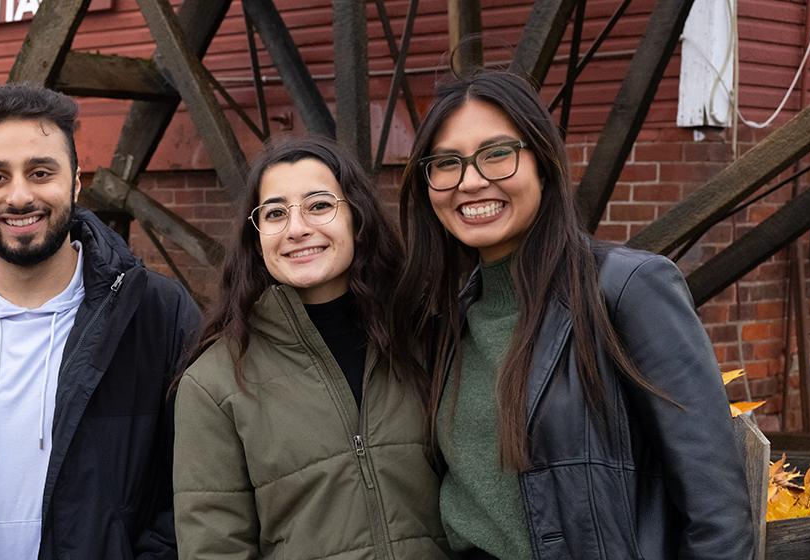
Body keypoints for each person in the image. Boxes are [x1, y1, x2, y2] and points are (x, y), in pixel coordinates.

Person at [390, 69, 751, 559]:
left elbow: (717, 514)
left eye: (497, 154)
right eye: (447, 162)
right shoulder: (448, 324)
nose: (471, 182)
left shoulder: (627, 290)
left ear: (541, 163)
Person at [0, 82, 200, 559]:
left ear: (74, 182)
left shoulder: (157, 314)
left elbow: (198, 486)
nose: (20, 195)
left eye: (40, 172)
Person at [174, 136, 448, 558]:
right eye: (276, 213)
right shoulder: (214, 385)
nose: (298, 229)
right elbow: (215, 548)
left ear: (357, 218)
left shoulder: (425, 339)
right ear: (257, 235)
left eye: (319, 205)